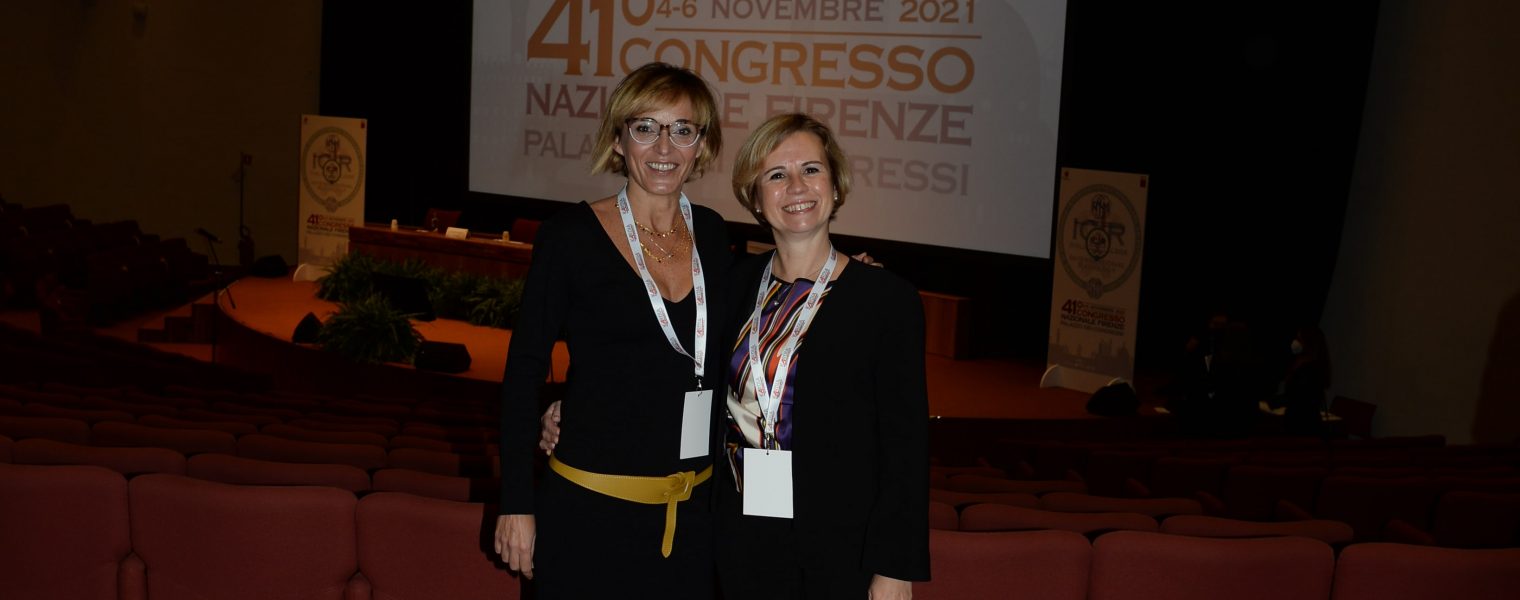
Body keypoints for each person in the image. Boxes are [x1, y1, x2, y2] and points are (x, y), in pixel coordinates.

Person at [493, 62, 729, 599]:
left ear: (701, 145)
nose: (664, 147)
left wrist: (843, 276)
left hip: (691, 521)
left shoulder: (714, 236)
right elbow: (523, 370)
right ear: (619, 140)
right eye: (645, 127)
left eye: (682, 129)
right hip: (588, 516)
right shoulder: (569, 237)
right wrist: (516, 503)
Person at [715, 113, 929, 598]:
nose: (796, 186)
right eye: (777, 174)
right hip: (738, 536)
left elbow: (906, 446)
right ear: (755, 197)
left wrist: (894, 567)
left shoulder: (885, 300)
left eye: (811, 170)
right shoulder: (732, 286)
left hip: (840, 547)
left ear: (835, 184)